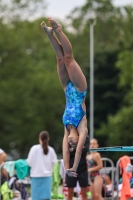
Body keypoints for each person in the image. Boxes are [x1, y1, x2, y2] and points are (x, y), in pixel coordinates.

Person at [40, 17, 88, 177]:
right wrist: (74, 168)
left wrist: (67, 168)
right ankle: (59, 30)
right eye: (73, 143)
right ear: (79, 138)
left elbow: (65, 152)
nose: (71, 143)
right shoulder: (82, 127)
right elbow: (79, 150)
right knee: (68, 59)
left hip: (67, 88)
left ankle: (49, 34)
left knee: (60, 60)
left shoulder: (66, 129)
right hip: (80, 89)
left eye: (70, 144)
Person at [27, 131, 57, 200]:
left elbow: (29, 162)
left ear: (39, 138)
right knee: (46, 197)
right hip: (47, 177)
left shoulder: (34, 148)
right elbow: (54, 162)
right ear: (48, 139)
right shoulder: (51, 150)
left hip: (35, 177)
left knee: (36, 197)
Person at [65, 135, 89, 200]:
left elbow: (86, 149)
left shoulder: (85, 137)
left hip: (82, 169)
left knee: (84, 193)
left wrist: (73, 149)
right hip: (71, 169)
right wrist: (80, 148)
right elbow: (67, 152)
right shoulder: (69, 137)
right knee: (70, 193)